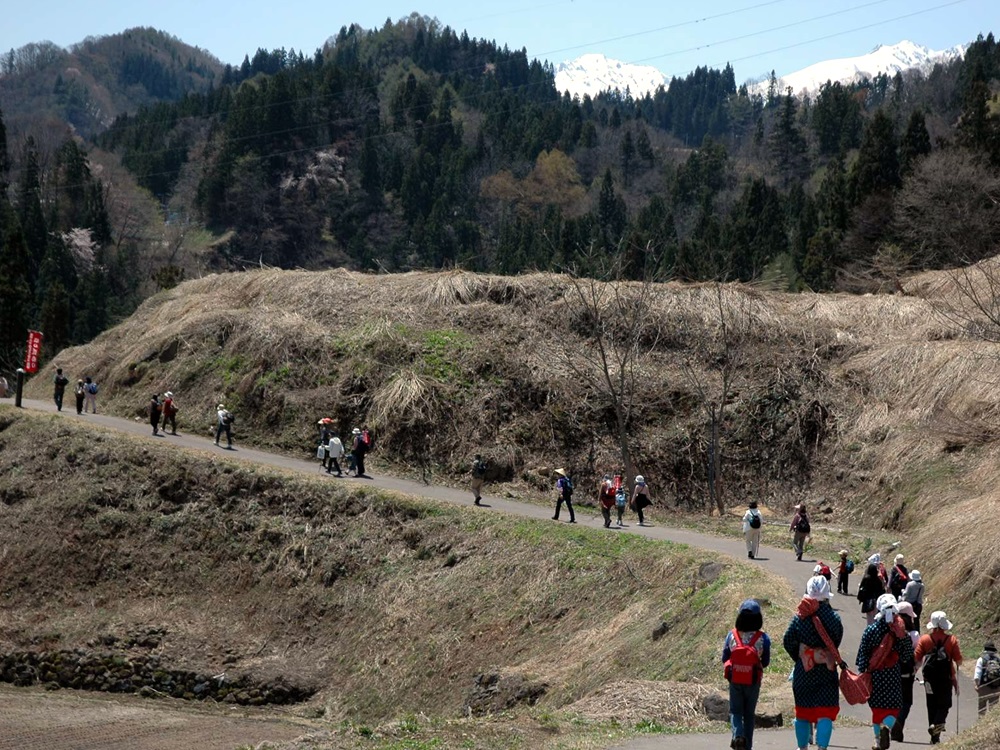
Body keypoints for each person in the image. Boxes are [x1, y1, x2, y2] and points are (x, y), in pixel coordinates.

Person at [783, 575, 842, 750]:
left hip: (804, 672)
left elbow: (788, 640)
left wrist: (802, 656)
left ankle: (802, 748)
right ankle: (822, 748)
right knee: (825, 712)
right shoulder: (834, 618)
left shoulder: (800, 617)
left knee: (802, 712)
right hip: (826, 671)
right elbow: (836, 640)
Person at [856, 593, 914, 750]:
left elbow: (862, 655)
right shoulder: (900, 632)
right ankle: (886, 728)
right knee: (894, 707)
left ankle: (877, 741)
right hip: (893, 674)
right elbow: (907, 655)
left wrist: (863, 672)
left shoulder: (871, 630)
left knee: (877, 709)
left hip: (875, 675)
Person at [722, 599, 771, 750]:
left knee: (736, 711)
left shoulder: (732, 636)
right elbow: (766, 662)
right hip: (753, 680)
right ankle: (747, 745)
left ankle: (738, 736)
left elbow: (725, 658)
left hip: (735, 679)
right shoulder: (763, 638)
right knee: (749, 714)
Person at [914, 610, 963, 744]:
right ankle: (936, 729)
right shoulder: (951, 640)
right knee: (945, 705)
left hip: (929, 679)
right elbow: (958, 660)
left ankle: (934, 735)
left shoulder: (925, 639)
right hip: (945, 678)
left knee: (932, 705)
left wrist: (914, 671)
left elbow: (917, 657)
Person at [892, 601, 920, 742]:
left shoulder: (891, 629)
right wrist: (915, 668)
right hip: (907, 673)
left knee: (892, 700)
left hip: (891, 670)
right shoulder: (914, 634)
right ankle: (899, 722)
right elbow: (918, 655)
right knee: (906, 702)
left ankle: (890, 724)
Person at [974, 641, 1000, 716]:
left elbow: (977, 674)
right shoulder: (998, 659)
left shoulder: (981, 659)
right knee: (993, 709)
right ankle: (990, 726)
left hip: (983, 687)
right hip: (996, 687)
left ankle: (981, 724)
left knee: (982, 708)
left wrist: (976, 685)